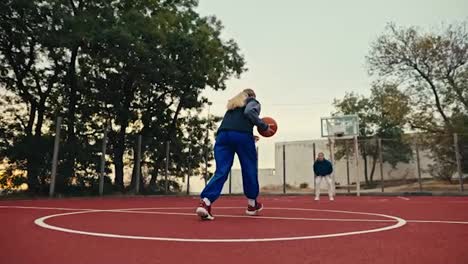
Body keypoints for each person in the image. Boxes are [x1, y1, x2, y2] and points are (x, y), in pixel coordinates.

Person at [196, 88, 274, 220]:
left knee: (221, 171)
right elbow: (249, 112)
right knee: (249, 169)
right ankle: (251, 205)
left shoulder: (232, 105)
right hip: (241, 137)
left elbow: (234, 126)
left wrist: (249, 135)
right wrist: (264, 126)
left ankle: (205, 203)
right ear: (251, 95)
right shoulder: (252, 101)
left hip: (223, 137)